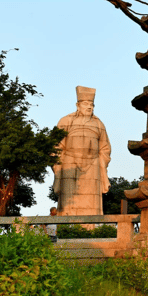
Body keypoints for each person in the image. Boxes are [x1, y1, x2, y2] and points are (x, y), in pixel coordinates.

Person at [53, 86, 112, 215]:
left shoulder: (99, 124)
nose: (89, 107)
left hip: (93, 166)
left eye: (92, 105)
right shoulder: (66, 121)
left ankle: (91, 226)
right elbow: (56, 146)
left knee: (92, 204)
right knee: (69, 201)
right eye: (85, 104)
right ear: (78, 105)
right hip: (70, 163)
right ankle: (67, 225)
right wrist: (59, 167)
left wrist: (101, 164)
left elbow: (105, 148)